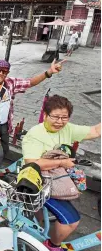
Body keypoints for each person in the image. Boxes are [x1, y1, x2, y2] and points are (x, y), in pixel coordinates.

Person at [22, 95, 101, 251]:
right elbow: (31, 163)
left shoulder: (68, 128)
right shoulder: (35, 134)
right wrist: (61, 162)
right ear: (45, 115)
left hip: (59, 179)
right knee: (71, 221)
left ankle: (34, 222)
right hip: (40, 183)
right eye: (55, 117)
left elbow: (96, 131)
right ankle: (52, 245)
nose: (59, 121)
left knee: (38, 214)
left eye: (64, 117)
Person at [0, 59, 66, 177]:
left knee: (4, 150)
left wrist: (49, 72)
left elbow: (30, 82)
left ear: (7, 73)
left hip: (3, 126)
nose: (0, 73)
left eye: (4, 71)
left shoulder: (10, 83)